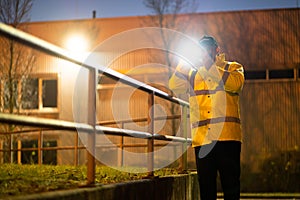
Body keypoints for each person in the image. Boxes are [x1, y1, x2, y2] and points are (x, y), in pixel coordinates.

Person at [169, 35, 244, 200]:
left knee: (231, 188)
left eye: (207, 48)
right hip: (203, 140)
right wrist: (185, 60)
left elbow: (235, 84)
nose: (203, 52)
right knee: (206, 190)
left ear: (216, 50)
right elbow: (174, 85)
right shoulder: (192, 73)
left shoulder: (232, 67)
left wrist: (209, 65)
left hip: (228, 138)